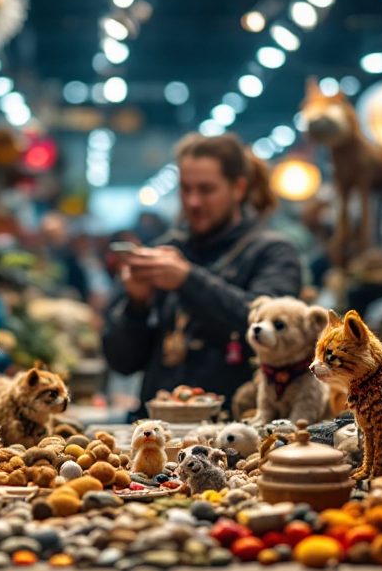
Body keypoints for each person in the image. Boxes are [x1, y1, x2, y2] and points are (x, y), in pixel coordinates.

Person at [103, 133, 303, 407]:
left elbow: (274, 333)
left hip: (236, 433)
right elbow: (121, 362)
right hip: (156, 434)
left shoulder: (272, 252)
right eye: (186, 189)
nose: (193, 202)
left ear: (238, 188)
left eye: (206, 189)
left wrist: (187, 280)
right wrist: (136, 306)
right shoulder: (163, 252)